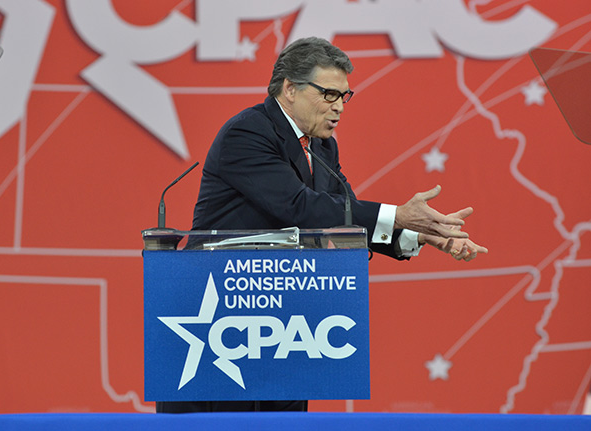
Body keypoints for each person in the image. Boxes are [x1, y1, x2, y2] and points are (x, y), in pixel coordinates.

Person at [157, 36, 487, 414]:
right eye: (329, 94)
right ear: (290, 89)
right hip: (218, 318)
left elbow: (341, 217)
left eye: (344, 97)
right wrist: (398, 214)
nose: (339, 108)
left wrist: (421, 235)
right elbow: (299, 207)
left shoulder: (322, 146)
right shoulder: (248, 133)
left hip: (285, 318)